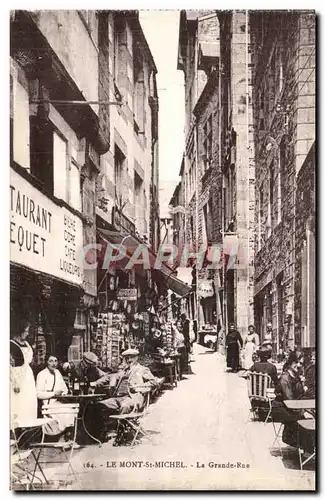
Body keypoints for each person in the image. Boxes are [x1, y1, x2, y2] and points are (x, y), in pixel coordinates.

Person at [90, 349, 161, 441]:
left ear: (137, 358)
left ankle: (122, 433)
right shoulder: (124, 371)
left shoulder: (142, 370)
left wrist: (138, 386)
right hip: (118, 398)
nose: (129, 360)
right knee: (100, 405)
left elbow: (154, 382)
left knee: (125, 405)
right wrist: (95, 383)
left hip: (133, 398)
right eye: (127, 358)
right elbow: (110, 376)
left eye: (132, 357)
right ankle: (101, 433)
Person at [272, 352, 307, 447]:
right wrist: (302, 411)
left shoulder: (296, 376)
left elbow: (300, 395)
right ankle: (301, 446)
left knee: (308, 420)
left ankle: (306, 449)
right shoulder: (285, 378)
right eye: (297, 362)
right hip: (280, 409)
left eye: (301, 363)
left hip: (291, 407)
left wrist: (302, 385)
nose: (299, 365)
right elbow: (289, 399)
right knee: (303, 422)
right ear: (291, 362)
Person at [36, 355, 73, 435]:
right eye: (51, 361)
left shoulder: (58, 373)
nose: (54, 363)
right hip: (47, 405)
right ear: (47, 362)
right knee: (67, 411)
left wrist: (62, 392)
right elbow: (38, 394)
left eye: (55, 361)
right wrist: (53, 393)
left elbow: (65, 389)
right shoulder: (42, 374)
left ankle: (67, 435)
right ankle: (64, 435)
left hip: (57, 403)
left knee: (72, 409)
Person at [10, 318, 37, 426]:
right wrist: (15, 382)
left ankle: (28, 431)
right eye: (26, 331)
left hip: (28, 377)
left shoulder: (26, 343)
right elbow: (9, 366)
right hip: (17, 376)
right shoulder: (11, 344)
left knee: (29, 402)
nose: (27, 333)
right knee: (18, 403)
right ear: (20, 330)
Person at [248, 346, 279, 419]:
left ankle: (258, 408)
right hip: (266, 394)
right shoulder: (272, 367)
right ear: (268, 356)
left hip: (255, 394)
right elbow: (276, 381)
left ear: (259, 356)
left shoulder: (254, 366)